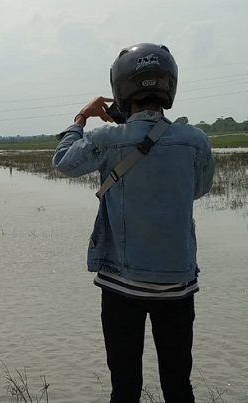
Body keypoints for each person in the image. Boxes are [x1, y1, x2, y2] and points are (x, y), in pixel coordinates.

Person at [52, 43, 215, 403]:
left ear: (121, 89)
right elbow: (198, 190)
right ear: (169, 85)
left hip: (121, 286)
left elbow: (63, 161)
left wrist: (80, 118)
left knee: (124, 388)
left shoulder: (107, 138)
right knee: (178, 386)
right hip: (177, 285)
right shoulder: (196, 141)